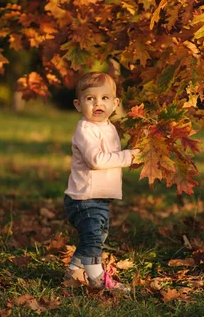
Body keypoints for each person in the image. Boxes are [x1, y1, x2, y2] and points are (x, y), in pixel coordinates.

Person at [63, 72, 140, 293]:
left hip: (99, 198)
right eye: (90, 99)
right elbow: (96, 160)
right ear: (78, 105)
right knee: (94, 238)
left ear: (115, 104)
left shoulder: (109, 127)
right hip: (84, 198)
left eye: (105, 98)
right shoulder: (85, 130)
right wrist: (129, 156)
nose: (98, 103)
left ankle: (74, 271)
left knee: (97, 235)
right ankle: (97, 279)